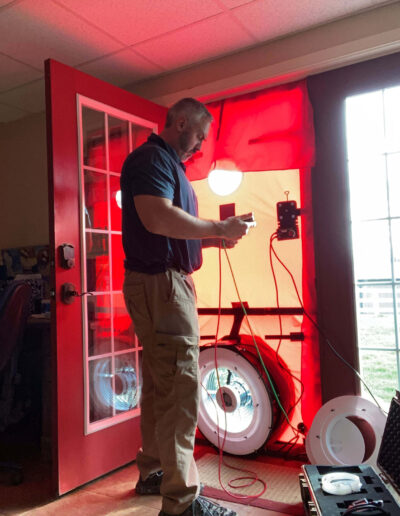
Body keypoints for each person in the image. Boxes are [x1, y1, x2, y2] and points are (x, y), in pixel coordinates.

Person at [121, 98, 253, 516]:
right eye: (199, 135)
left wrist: (215, 238)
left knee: (162, 384)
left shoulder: (166, 166)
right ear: (180, 123)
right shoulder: (150, 159)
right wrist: (217, 227)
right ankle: (181, 504)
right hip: (162, 286)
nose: (200, 145)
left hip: (160, 283)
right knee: (180, 386)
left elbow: (168, 231)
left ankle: (154, 472)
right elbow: (158, 219)